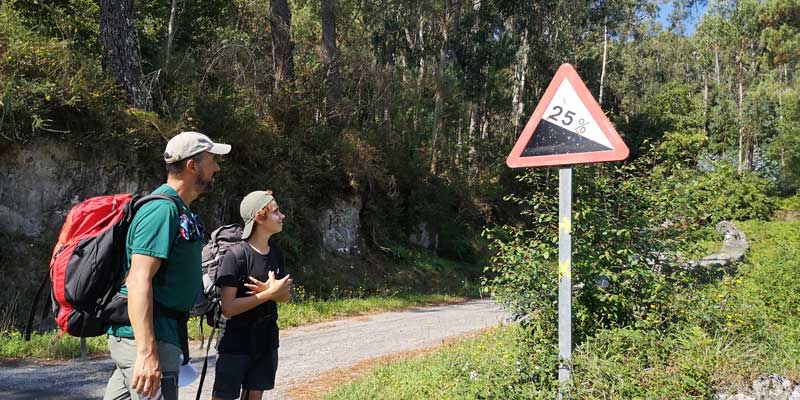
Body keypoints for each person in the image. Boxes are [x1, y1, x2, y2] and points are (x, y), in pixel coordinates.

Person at [104, 131, 231, 400]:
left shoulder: (180, 211)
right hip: (153, 338)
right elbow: (138, 280)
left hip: (162, 334)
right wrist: (147, 352)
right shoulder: (162, 210)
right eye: (212, 160)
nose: (217, 167)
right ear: (192, 165)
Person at [212, 190, 293, 400]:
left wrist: (272, 292)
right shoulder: (236, 256)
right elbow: (228, 308)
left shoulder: (276, 254)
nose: (282, 216)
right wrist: (268, 294)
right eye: (276, 211)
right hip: (235, 342)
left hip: (266, 340)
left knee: (255, 396)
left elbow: (285, 296)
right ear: (259, 217)